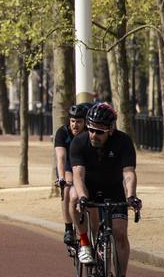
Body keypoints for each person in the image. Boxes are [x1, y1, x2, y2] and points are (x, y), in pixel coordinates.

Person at [70, 102, 140, 272]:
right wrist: (82, 198)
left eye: (100, 132)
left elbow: (129, 173)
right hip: (88, 188)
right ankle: (85, 243)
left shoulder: (123, 142)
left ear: (111, 129)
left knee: (120, 234)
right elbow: (78, 175)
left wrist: (131, 196)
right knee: (72, 196)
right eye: (91, 129)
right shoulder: (79, 142)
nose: (94, 135)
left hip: (113, 189)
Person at [55, 103, 91, 245]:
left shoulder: (90, 133)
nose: (75, 125)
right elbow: (61, 158)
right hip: (69, 166)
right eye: (73, 121)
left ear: (85, 123)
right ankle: (68, 227)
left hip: (86, 165)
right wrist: (61, 177)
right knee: (67, 189)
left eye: (79, 122)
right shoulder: (62, 133)